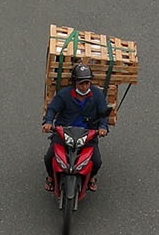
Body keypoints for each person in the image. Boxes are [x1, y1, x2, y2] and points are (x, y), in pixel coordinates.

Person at [42, 63, 110, 192]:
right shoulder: (64, 94)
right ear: (74, 83)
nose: (84, 87)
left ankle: (91, 177)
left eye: (87, 83)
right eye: (81, 83)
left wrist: (102, 127)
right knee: (49, 157)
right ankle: (51, 178)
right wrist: (48, 122)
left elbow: (103, 114)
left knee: (97, 161)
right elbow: (52, 109)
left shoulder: (97, 95)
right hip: (64, 132)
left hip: (88, 134)